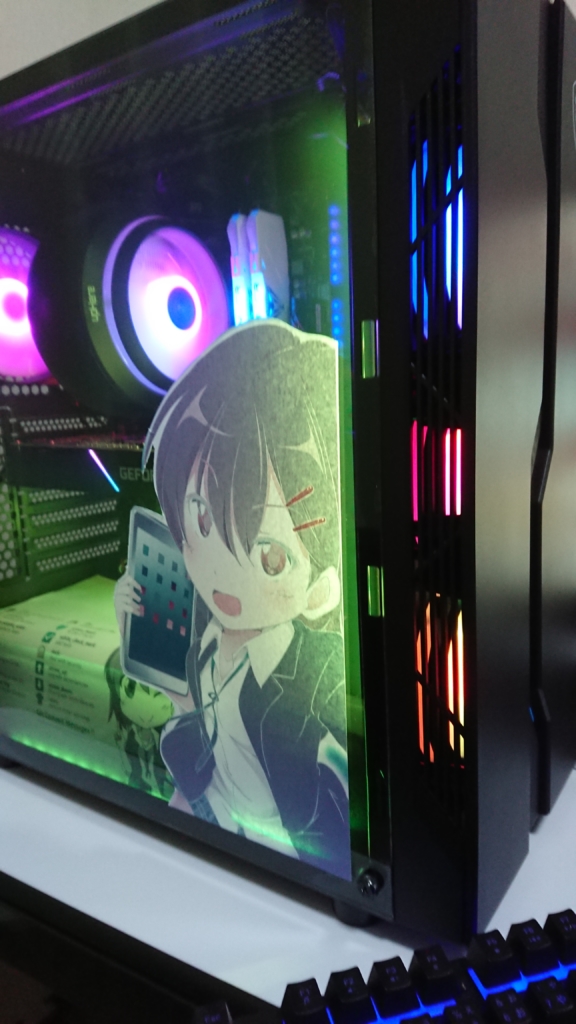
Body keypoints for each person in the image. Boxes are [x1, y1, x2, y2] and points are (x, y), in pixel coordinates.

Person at [115, 320, 350, 879]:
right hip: (217, 827)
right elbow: (194, 723)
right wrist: (138, 633)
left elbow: (342, 788)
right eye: (200, 519)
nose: (223, 570)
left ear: (322, 588)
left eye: (270, 557)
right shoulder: (205, 639)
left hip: (290, 857)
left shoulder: (321, 673)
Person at [104, 648, 174, 798]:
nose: (147, 716)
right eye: (129, 692)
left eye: (159, 696)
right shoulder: (130, 739)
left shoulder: (166, 741)